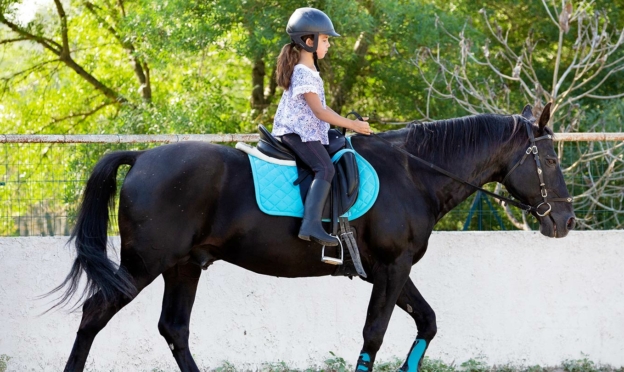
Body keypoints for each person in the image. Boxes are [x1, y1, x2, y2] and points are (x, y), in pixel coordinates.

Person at [272, 7, 371, 247]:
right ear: (309, 41)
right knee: (325, 169)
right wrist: (353, 124)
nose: (328, 45)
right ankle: (311, 225)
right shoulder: (304, 73)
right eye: (325, 40)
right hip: (297, 134)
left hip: (305, 132)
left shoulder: (310, 70)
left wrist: (347, 123)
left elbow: (324, 110)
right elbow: (319, 112)